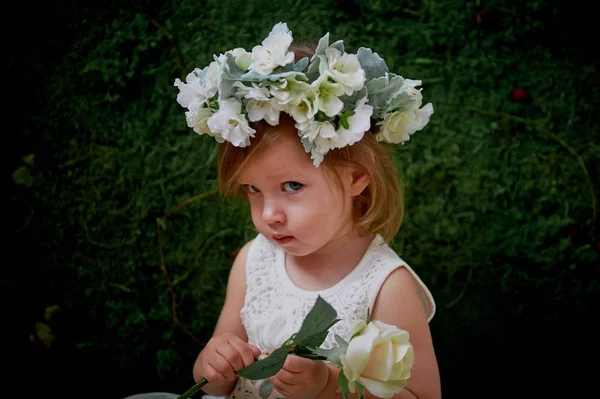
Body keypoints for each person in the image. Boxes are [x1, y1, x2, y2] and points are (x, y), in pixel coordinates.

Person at [174, 22, 440, 399]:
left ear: (355, 179)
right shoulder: (254, 261)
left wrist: (329, 385)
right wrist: (213, 363)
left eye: (292, 186)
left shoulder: (386, 286)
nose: (269, 215)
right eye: (252, 189)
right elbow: (220, 383)